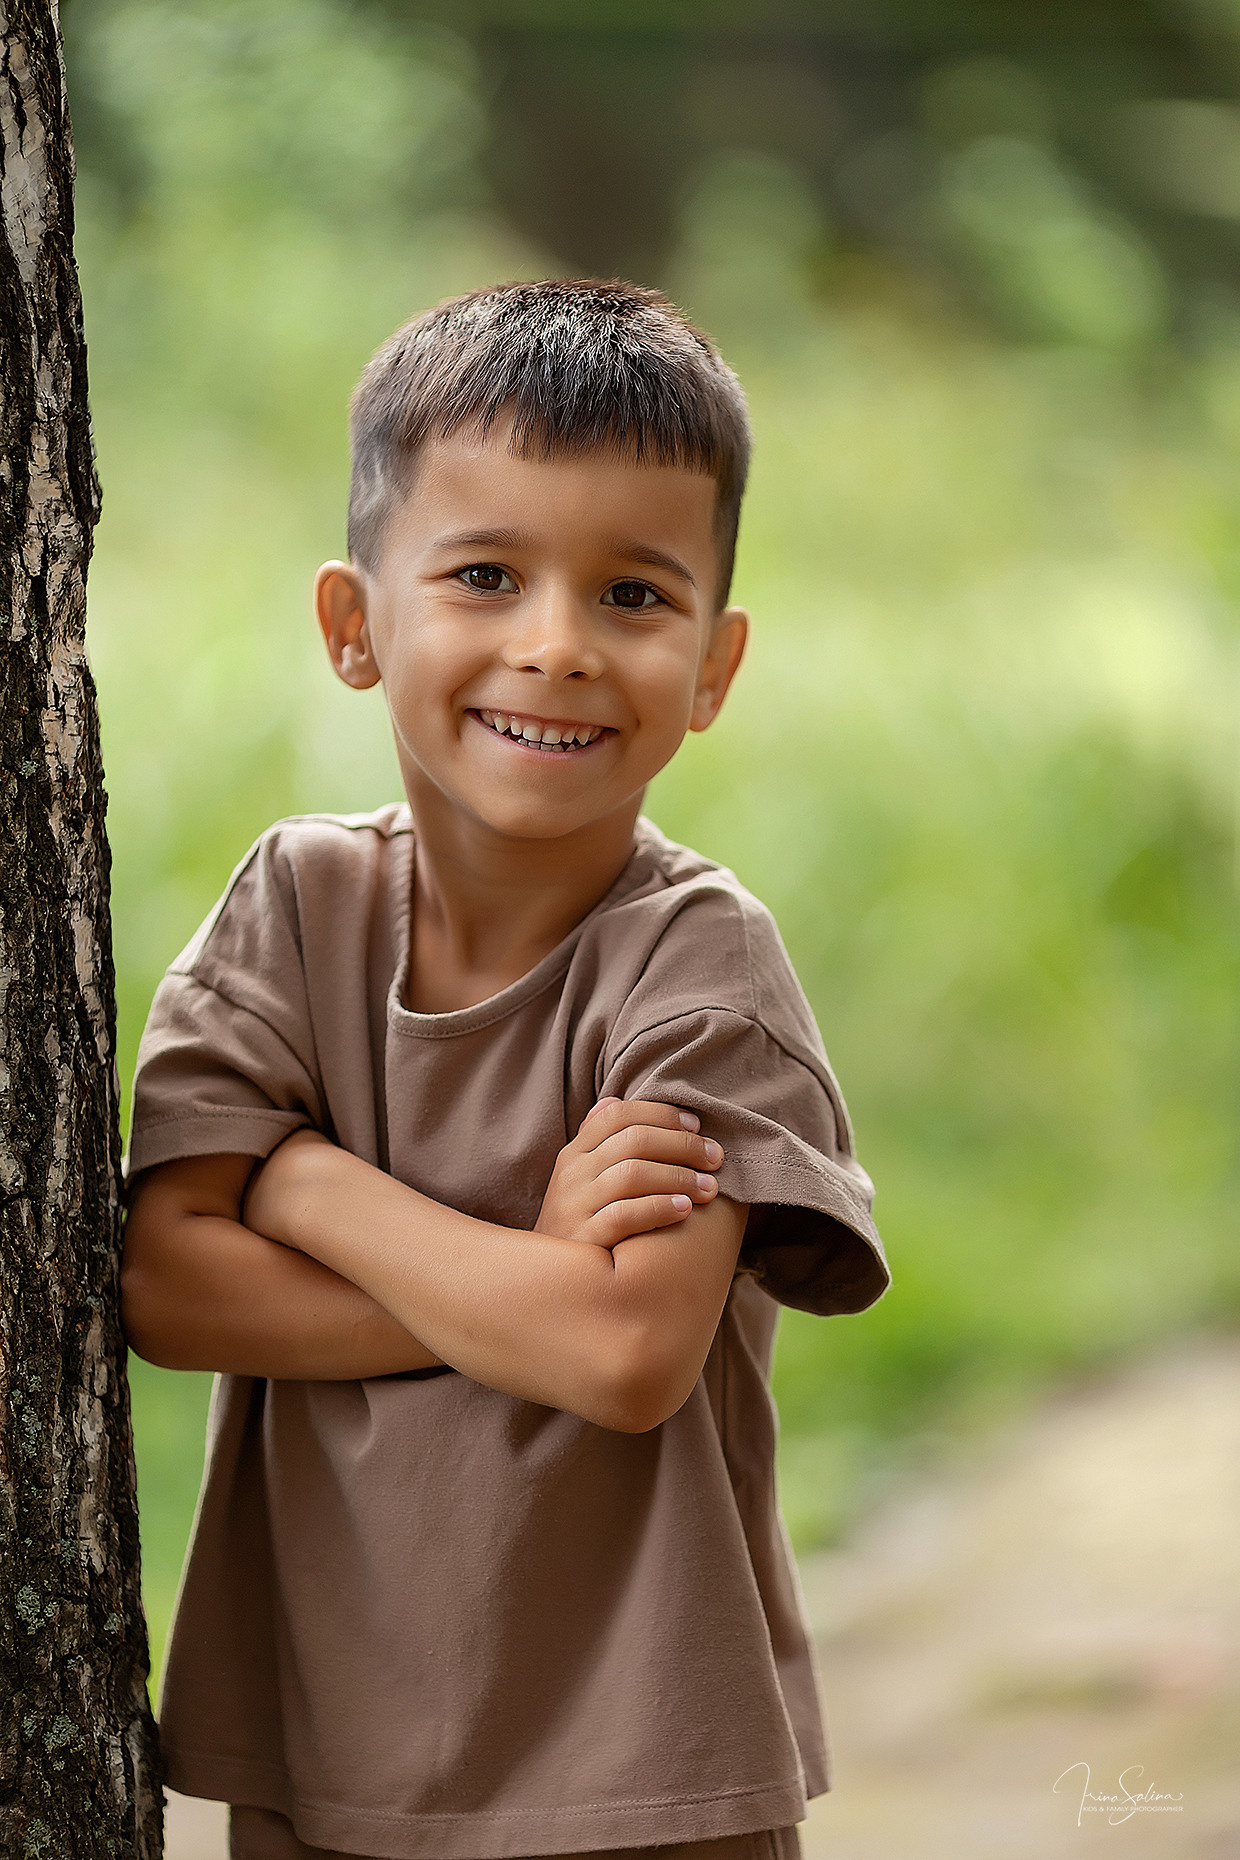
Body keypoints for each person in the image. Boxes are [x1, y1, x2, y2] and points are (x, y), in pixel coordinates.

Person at [121, 278, 890, 1860]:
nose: (557, 647)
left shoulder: (696, 963)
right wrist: (518, 1276)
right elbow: (169, 1289)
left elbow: (619, 1353)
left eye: (634, 596)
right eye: (484, 574)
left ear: (715, 662)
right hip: (321, 1746)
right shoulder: (296, 907)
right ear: (355, 626)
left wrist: (300, 1178)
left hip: (641, 1764)